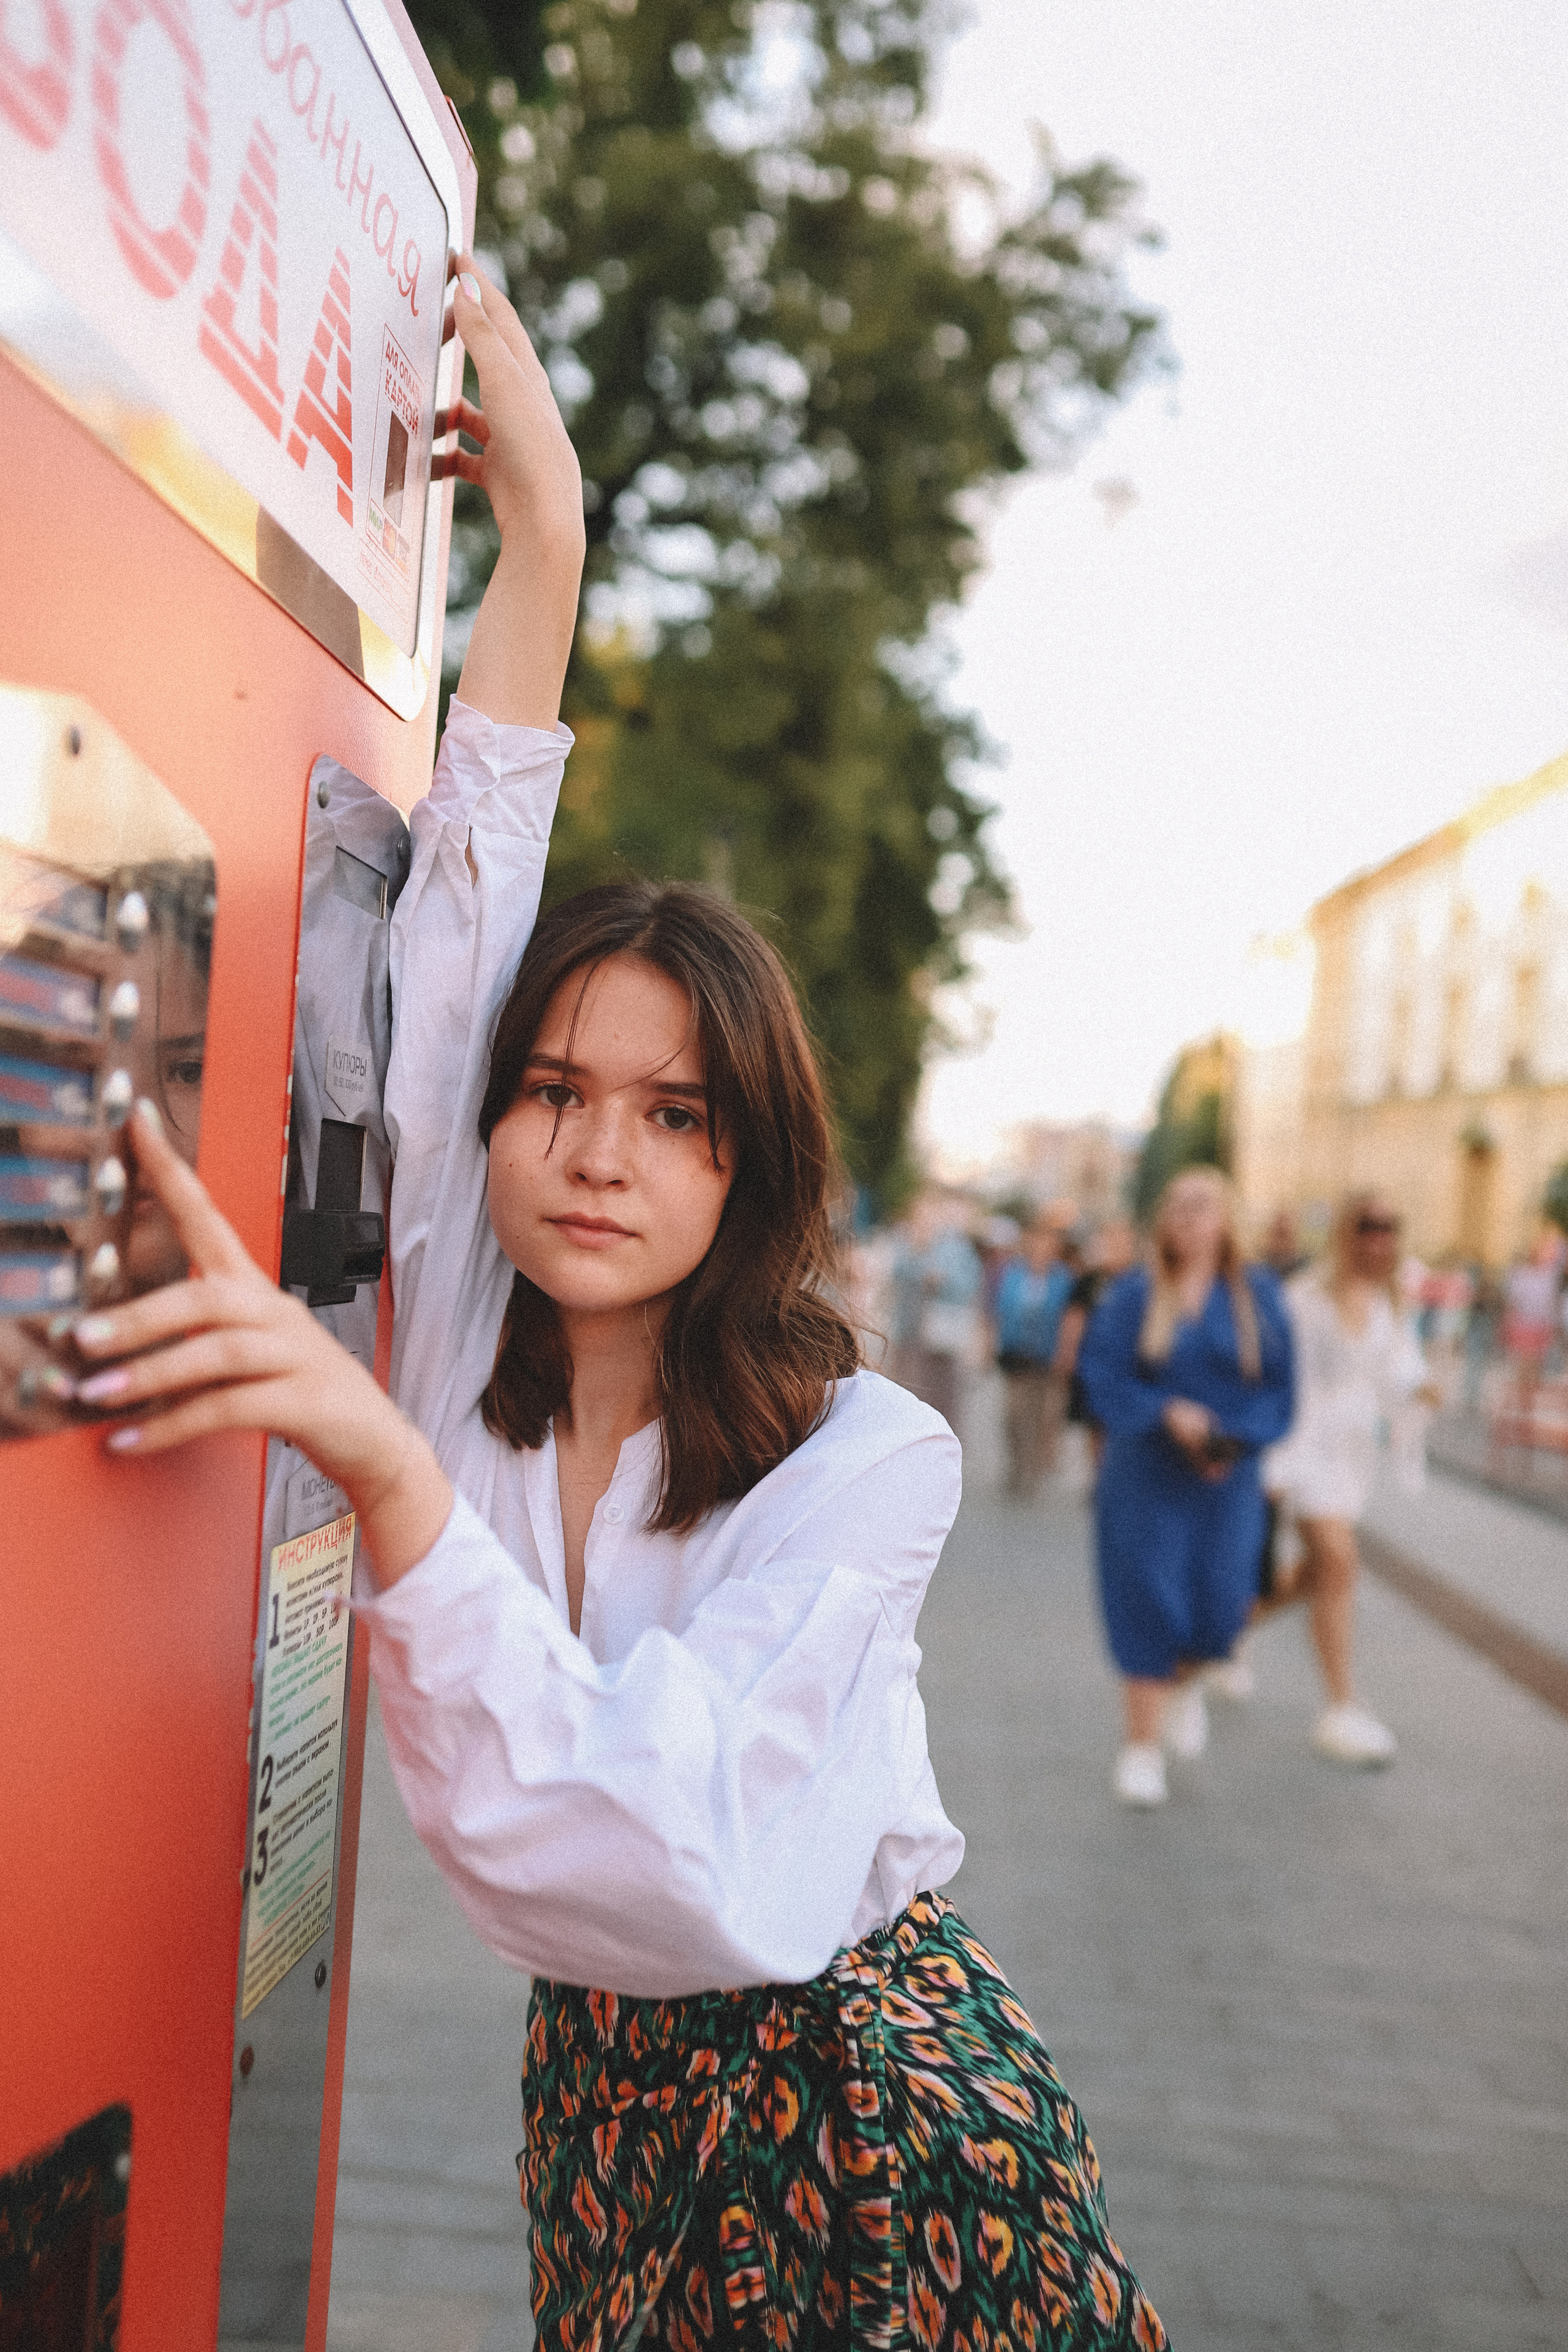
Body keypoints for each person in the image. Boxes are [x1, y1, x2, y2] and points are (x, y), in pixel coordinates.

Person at [71, 264, 1166, 2352]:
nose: (597, 1151)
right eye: (558, 1097)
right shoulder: (464, 1299)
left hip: (873, 2121)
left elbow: (662, 1848)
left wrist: (385, 1473)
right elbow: (472, 908)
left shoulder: (873, 1458)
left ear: (746, 1166)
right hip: (608, 2111)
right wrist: (547, 544)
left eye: (674, 1117)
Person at [1077, 1167, 1294, 1809]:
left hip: (1226, 1480)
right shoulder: (1134, 1293)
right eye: (1175, 1206)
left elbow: (1280, 1389)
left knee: (1224, 1604)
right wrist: (1168, 1412)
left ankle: (1189, 1682)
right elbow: (1103, 1374)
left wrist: (1233, 1438)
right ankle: (1140, 1748)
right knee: (1147, 1598)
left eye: (1201, 1206)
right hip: (1146, 1471)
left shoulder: (1257, 1294)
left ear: (1227, 1217)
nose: (1186, 1218)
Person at [1261, 1191, 1437, 1766]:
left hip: (1351, 1458)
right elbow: (1291, 1384)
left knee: (1318, 1572)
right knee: (1339, 1560)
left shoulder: (1390, 1298)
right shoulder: (1305, 1299)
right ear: (1345, 1232)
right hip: (1304, 1450)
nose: (1379, 1237)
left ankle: (1224, 1633)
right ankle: (1342, 1706)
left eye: (1389, 1225)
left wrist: (1421, 1389)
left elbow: (1400, 1368)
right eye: (1367, 1225)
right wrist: (1279, 1466)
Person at [886, 1191, 984, 1440]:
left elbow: (970, 1286)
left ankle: (940, 1437)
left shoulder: (959, 1247)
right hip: (909, 1329)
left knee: (943, 1389)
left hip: (941, 1332)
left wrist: (944, 1282)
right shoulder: (912, 1240)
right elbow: (897, 1273)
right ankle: (907, 1438)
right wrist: (917, 1252)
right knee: (907, 1387)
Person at [992, 1213, 1074, 1498]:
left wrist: (1066, 1353)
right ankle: (1016, 1465)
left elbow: (1069, 1319)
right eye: (1037, 1242)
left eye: (1048, 1243)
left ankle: (1030, 1474)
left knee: (1040, 1417)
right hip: (1015, 1354)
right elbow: (1000, 1310)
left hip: (1046, 1357)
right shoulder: (1014, 1274)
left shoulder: (1063, 1279)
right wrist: (991, 1342)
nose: (1042, 1248)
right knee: (1013, 1415)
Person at [1055, 1218, 1139, 1472]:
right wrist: (1067, 1354)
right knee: (1095, 1422)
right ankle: (1099, 1475)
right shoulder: (1091, 1280)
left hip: (1130, 1366)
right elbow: (1074, 1318)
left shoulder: (1139, 1280)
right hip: (1094, 1364)